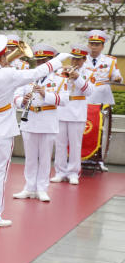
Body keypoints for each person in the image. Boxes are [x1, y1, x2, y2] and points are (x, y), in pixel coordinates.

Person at [0, 35, 68, 227]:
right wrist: (60, 58)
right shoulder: (9, 74)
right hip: (2, 128)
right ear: (3, 58)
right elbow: (40, 71)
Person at [12, 44, 66, 202]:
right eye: (39, 61)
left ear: (51, 61)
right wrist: (22, 101)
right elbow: (15, 96)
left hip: (48, 120)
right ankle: (29, 187)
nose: (41, 64)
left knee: (44, 157)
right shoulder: (28, 77)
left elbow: (64, 99)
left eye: (45, 60)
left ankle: (42, 188)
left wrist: (46, 94)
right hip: (30, 120)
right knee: (30, 157)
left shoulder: (60, 79)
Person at [52, 43, 92, 185]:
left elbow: (89, 92)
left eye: (78, 59)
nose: (75, 62)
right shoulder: (61, 70)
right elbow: (55, 87)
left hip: (77, 112)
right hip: (62, 111)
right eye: (73, 59)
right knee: (60, 143)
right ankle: (60, 172)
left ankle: (74, 172)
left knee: (75, 144)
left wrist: (78, 78)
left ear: (84, 60)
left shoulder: (88, 72)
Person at [82, 29, 121, 170]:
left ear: (102, 46)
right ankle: (80, 156)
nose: (93, 47)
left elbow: (117, 75)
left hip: (102, 100)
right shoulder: (81, 59)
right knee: (83, 129)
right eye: (91, 43)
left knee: (101, 131)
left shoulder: (110, 60)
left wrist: (117, 78)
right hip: (84, 100)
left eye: (97, 44)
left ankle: (99, 160)